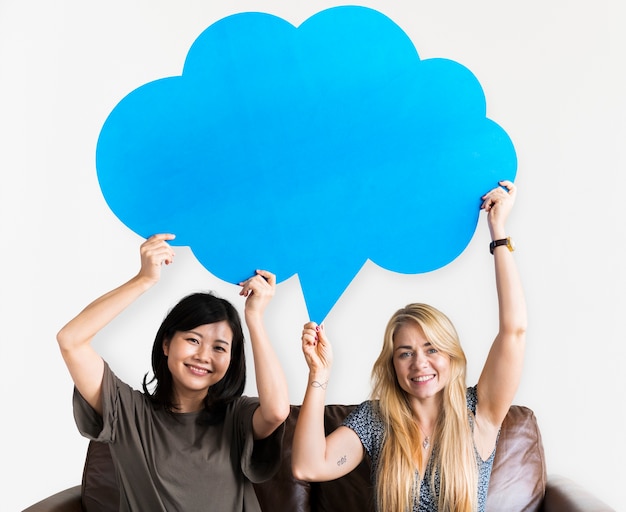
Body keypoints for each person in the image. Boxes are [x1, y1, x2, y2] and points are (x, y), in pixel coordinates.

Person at [292, 181, 526, 512]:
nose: (419, 363)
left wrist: (498, 232)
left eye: (431, 349)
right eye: (405, 353)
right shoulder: (376, 420)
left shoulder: (480, 411)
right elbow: (308, 466)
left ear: (451, 356)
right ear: (392, 366)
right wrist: (319, 374)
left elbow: (513, 331)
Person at [57, 233, 289, 512]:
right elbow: (71, 340)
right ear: (166, 344)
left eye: (219, 348)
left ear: (231, 360)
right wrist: (144, 280)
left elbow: (276, 411)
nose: (203, 356)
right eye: (193, 340)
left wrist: (255, 317)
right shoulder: (127, 412)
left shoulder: (237, 416)